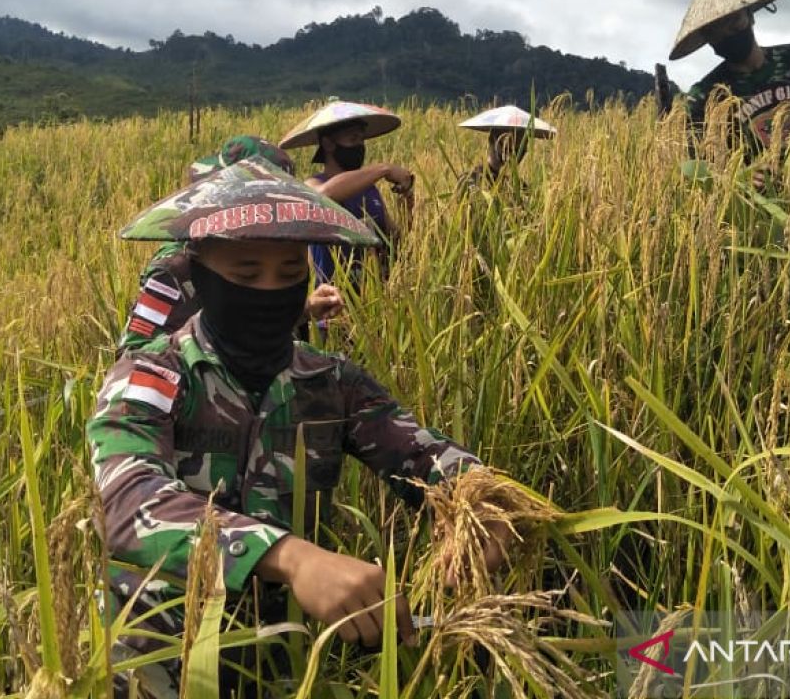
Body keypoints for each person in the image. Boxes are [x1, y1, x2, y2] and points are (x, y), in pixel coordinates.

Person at [92, 157, 510, 697]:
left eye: (289, 274)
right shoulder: (153, 375)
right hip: (161, 656)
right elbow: (126, 498)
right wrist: (291, 556)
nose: (269, 291)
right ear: (199, 276)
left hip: (284, 657)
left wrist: (477, 499)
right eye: (246, 275)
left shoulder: (331, 381)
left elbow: (420, 452)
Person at [118, 135, 343, 353]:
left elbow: (254, 320)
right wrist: (217, 347)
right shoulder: (176, 267)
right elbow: (135, 352)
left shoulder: (278, 258)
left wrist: (304, 310)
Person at [670, 0, 790, 188]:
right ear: (710, 41)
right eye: (717, 30)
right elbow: (701, 168)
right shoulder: (705, 96)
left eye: (734, 21)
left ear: (750, 17)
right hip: (756, 205)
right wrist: (740, 177)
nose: (728, 33)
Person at [279, 100, 414, 285]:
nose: (359, 146)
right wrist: (384, 169)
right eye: (352, 139)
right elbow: (325, 195)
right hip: (334, 301)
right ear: (328, 144)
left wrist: (407, 201)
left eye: (361, 140)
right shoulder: (313, 185)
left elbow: (395, 237)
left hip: (376, 299)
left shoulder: (370, 190)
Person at [457, 104, 557, 188]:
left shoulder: (518, 186)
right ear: (495, 140)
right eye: (510, 142)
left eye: (522, 144)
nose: (516, 150)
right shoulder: (471, 180)